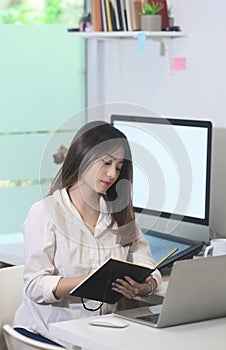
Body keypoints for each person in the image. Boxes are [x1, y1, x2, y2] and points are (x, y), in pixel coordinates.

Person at [14, 121, 162, 347]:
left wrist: (146, 286)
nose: (112, 174)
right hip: (50, 336)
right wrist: (89, 282)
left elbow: (148, 265)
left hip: (101, 334)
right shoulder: (45, 212)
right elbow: (35, 285)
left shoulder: (120, 214)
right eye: (106, 163)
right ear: (82, 158)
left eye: (119, 167)